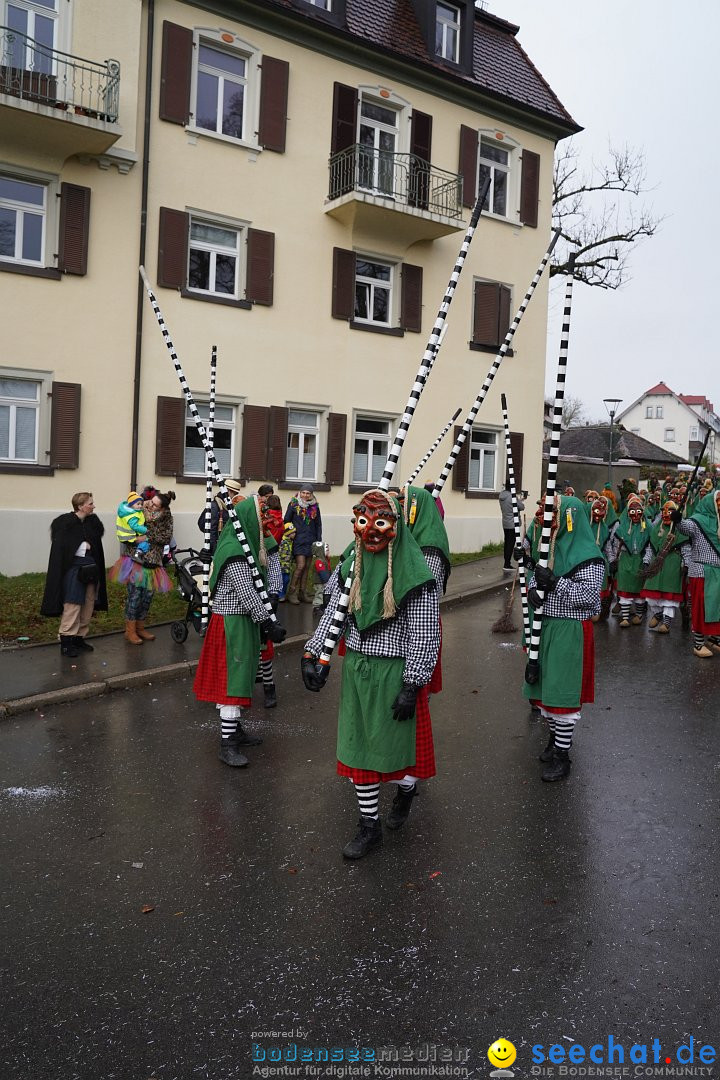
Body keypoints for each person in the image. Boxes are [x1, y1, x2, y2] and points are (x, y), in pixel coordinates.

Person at [302, 489, 440, 859]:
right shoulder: (352, 565)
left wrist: (413, 682)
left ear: (396, 526)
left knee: (397, 757)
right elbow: (335, 611)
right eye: (363, 522)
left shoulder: (415, 573)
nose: (370, 532)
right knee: (360, 752)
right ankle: (369, 826)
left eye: (381, 523)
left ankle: (406, 793)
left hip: (395, 674)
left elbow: (425, 632)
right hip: (358, 671)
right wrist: (314, 652)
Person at [193, 495, 286, 764]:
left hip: (242, 622)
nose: (263, 525)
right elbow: (247, 593)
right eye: (260, 519)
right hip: (232, 624)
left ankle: (236, 730)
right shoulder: (235, 550)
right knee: (231, 682)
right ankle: (227, 744)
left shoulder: (243, 545)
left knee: (243, 676)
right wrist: (268, 622)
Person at [523, 494, 604, 782]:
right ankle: (554, 741)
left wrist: (555, 583)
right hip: (546, 627)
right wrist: (534, 588)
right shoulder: (550, 547)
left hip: (569, 631)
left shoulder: (589, 557)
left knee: (562, 694)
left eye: (552, 513)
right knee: (546, 690)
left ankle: (563, 754)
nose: (547, 519)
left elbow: (590, 599)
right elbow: (538, 576)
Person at [40, 492, 108, 657]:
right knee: (73, 605)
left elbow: (96, 547)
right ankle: (66, 641)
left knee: (88, 604)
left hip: (91, 570)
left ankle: (79, 638)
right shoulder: (65, 524)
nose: (94, 506)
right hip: (74, 571)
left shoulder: (92, 523)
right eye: (91, 503)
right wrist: (82, 546)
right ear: (80, 506)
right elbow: (63, 548)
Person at [110, 490, 175, 644]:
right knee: (135, 596)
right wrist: (135, 539)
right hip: (135, 560)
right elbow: (125, 528)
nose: (150, 506)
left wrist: (148, 536)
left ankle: (140, 627)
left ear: (163, 509)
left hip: (153, 561)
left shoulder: (167, 518)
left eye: (155, 506)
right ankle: (130, 631)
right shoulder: (138, 509)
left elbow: (166, 537)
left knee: (147, 598)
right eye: (151, 502)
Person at [672, 491, 720, 658]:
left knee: (717, 607)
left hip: (718, 572)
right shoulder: (698, 521)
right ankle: (698, 643)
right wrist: (678, 519)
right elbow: (686, 528)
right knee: (701, 608)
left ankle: (715, 638)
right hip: (701, 571)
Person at [641, 499, 689, 635]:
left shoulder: (681, 530)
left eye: (670, 511)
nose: (666, 514)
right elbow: (651, 548)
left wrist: (687, 564)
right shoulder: (657, 529)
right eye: (664, 511)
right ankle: (658, 614)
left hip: (672, 564)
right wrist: (646, 561)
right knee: (651, 595)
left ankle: (666, 622)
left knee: (669, 597)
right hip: (657, 563)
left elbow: (686, 550)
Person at [607, 494, 651, 628]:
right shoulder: (619, 527)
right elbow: (612, 543)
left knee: (639, 591)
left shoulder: (648, 527)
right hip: (625, 560)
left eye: (639, 511)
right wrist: (613, 559)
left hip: (640, 560)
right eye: (632, 512)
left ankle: (638, 615)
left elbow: (650, 547)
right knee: (625, 590)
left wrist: (646, 562)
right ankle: (625, 617)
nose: (636, 515)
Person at [284, 485, 322, 604]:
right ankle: (292, 592)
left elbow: (318, 524)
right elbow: (286, 520)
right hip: (298, 540)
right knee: (300, 566)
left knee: (307, 567)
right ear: (299, 493)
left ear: (311, 494)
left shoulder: (315, 507)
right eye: (303, 493)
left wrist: (318, 540)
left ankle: (302, 593)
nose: (305, 495)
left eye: (308, 493)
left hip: (311, 540)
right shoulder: (293, 505)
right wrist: (291, 532)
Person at [196, 478, 243, 555]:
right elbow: (211, 531)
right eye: (235, 494)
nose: (235, 497)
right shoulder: (215, 507)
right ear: (228, 491)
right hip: (218, 548)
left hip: (225, 545)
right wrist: (215, 551)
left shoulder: (228, 506)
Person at [499, 480, 525, 573]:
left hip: (505, 522)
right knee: (511, 544)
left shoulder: (502, 495)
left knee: (507, 543)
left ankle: (506, 562)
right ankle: (507, 564)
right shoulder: (512, 497)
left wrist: (518, 500)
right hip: (513, 523)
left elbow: (511, 505)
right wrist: (519, 500)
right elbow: (521, 507)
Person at [115, 491, 148, 561]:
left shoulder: (127, 512)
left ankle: (138, 553)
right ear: (131, 504)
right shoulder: (133, 515)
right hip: (131, 537)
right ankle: (138, 553)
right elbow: (134, 526)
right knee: (146, 541)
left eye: (141, 504)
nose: (140, 506)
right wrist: (146, 530)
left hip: (125, 537)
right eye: (138, 504)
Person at [278, 521, 296, 601]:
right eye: (293, 533)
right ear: (288, 533)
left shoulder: (290, 542)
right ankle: (280, 595)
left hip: (287, 566)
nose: (294, 534)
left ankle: (283, 594)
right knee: (282, 580)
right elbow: (279, 553)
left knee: (287, 580)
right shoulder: (283, 542)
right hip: (281, 565)